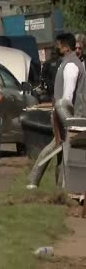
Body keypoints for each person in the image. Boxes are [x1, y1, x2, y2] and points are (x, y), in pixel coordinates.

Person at [27, 33, 86, 189]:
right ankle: (52, 185)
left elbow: (66, 99)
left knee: (57, 150)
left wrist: (64, 122)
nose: (57, 47)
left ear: (66, 47)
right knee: (60, 152)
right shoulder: (67, 63)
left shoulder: (71, 66)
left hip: (68, 118)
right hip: (64, 117)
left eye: (59, 45)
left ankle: (37, 182)